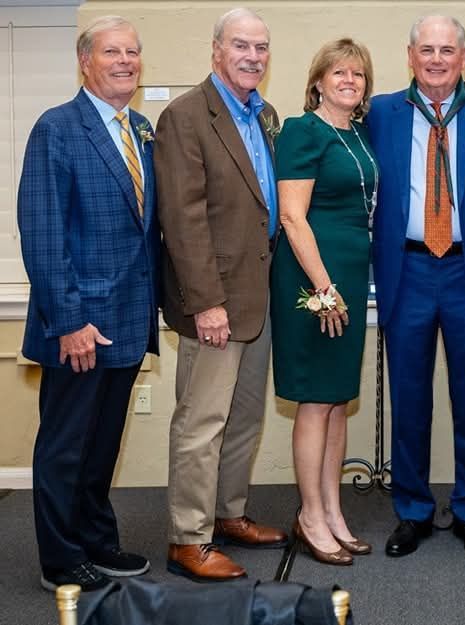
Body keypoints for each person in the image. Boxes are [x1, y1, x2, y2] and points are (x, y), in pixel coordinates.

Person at [18, 15, 158, 591]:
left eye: (132, 51)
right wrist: (70, 321)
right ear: (85, 61)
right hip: (79, 324)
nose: (124, 60)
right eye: (111, 52)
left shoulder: (142, 128)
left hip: (128, 320)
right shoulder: (57, 128)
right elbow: (44, 233)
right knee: (65, 448)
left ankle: (98, 541)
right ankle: (59, 559)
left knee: (103, 448)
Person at [366, 15, 465, 558]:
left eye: (446, 50)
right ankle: (413, 510)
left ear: (463, 57)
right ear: (410, 56)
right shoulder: (381, 111)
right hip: (406, 271)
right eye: (425, 50)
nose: (435, 59)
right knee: (408, 396)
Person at [155, 7, 287, 582]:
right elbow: (182, 221)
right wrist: (206, 301)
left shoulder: (265, 115)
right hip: (215, 302)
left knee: (245, 417)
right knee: (200, 421)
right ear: (216, 51)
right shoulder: (185, 116)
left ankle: (229, 514)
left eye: (260, 47)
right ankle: (188, 538)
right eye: (241, 46)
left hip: (257, 300)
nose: (252, 56)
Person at [270, 38, 377, 567]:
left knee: (337, 399)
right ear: (318, 80)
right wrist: (324, 286)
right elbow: (292, 216)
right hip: (314, 281)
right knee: (315, 398)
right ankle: (310, 515)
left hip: (350, 279)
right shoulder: (302, 130)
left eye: (358, 75)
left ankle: (333, 510)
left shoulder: (355, 132)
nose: (349, 81)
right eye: (339, 72)